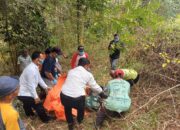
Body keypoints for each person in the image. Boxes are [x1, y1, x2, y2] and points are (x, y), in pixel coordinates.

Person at [60, 58, 106, 130]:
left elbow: (75, 82)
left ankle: (70, 123)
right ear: (86, 65)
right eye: (88, 66)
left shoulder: (71, 71)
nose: (89, 68)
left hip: (64, 96)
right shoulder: (88, 74)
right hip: (77, 98)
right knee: (81, 108)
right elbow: (94, 86)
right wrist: (101, 93)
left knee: (67, 108)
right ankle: (79, 121)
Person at [18, 51, 51, 123]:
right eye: (41, 58)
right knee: (38, 104)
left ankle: (29, 114)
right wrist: (36, 97)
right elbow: (30, 85)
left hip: (24, 91)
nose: (43, 60)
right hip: (23, 92)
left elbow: (39, 79)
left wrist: (46, 87)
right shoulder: (31, 69)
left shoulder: (35, 67)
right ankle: (45, 119)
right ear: (37, 59)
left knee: (27, 103)